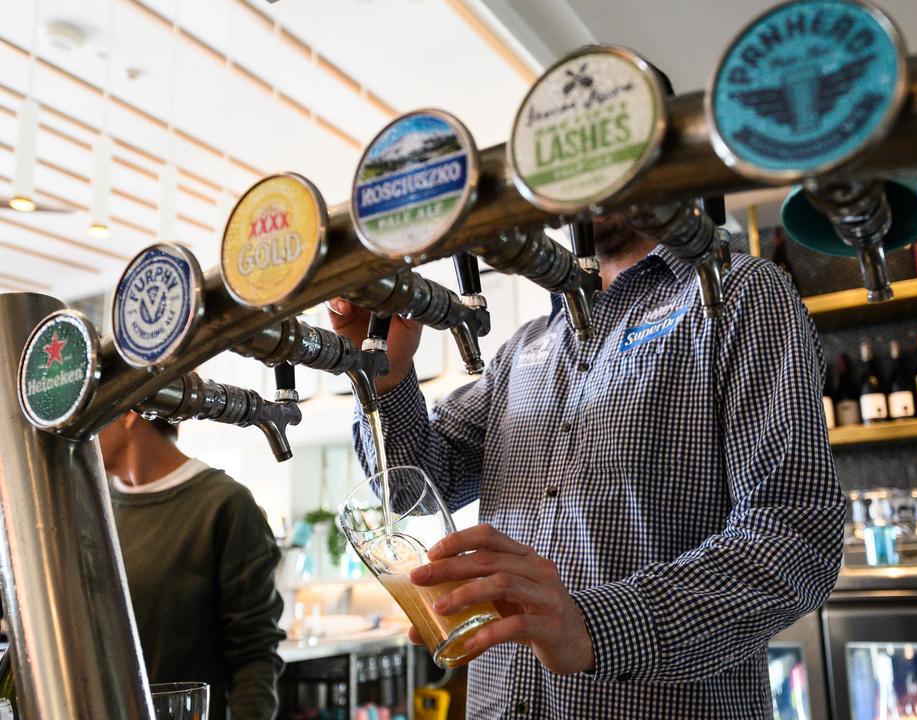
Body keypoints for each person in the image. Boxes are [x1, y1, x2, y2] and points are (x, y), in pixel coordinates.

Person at [328, 215, 844, 718]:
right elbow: (413, 487)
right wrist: (387, 375)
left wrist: (593, 626)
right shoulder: (523, 348)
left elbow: (795, 536)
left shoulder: (734, 291)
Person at [101, 412, 285, 720]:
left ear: (131, 412)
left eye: (91, 405)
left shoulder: (224, 505)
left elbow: (254, 654)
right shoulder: (90, 501)